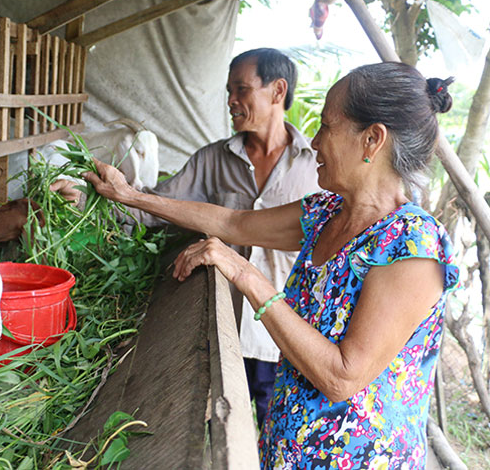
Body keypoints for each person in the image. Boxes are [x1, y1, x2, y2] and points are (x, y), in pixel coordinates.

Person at [83, 61, 459, 468]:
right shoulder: (326, 213)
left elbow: (342, 377)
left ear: (372, 139)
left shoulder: (412, 246)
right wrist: (131, 196)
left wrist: (245, 274)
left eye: (327, 127)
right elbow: (234, 223)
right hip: (289, 449)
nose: (314, 142)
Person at [53, 48, 320, 429]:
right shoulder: (213, 160)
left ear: (278, 91)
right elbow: (157, 207)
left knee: (281, 431)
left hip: (286, 333)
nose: (231, 101)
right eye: (229, 90)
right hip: (222, 326)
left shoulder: (314, 168)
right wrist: (87, 198)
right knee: (224, 430)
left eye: (242, 89)